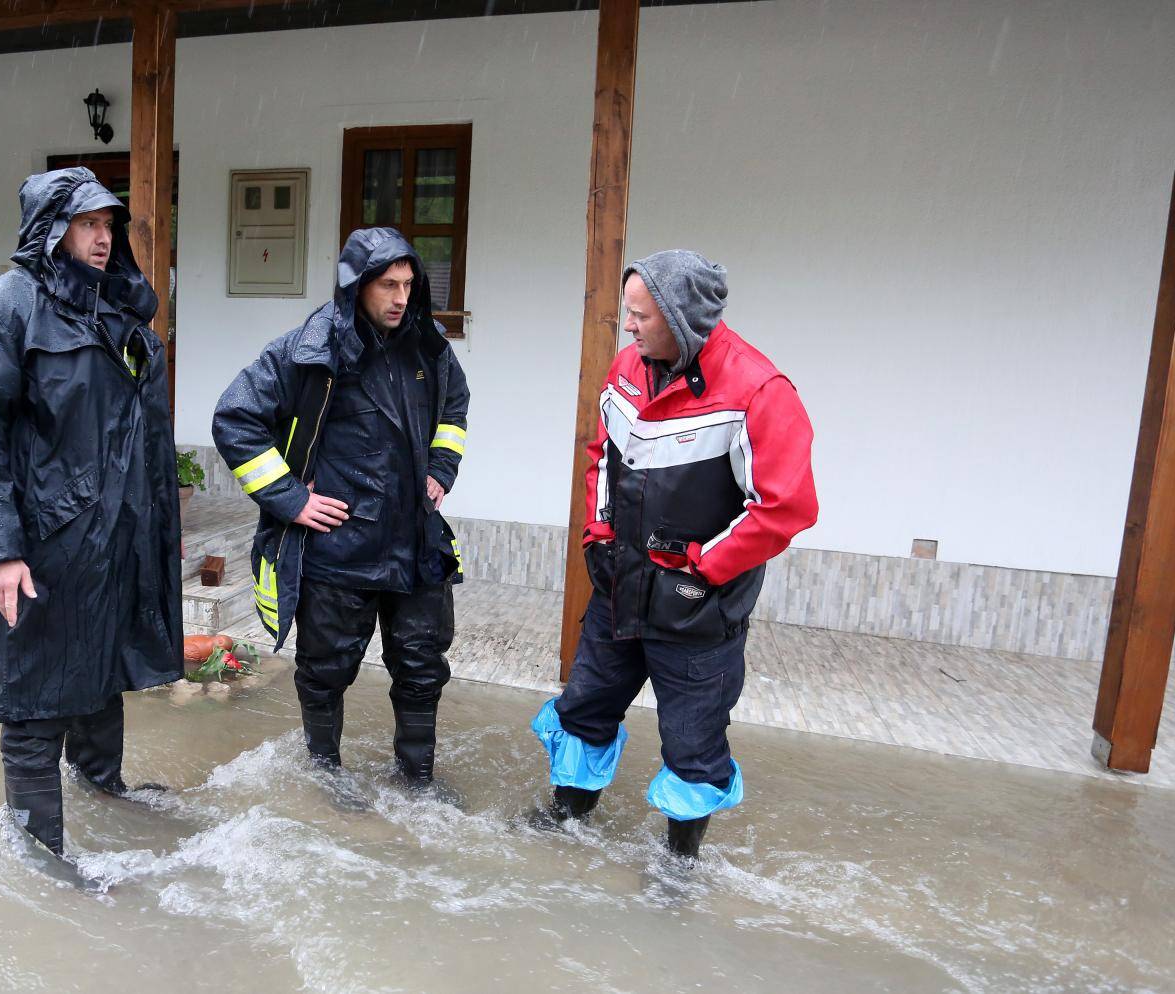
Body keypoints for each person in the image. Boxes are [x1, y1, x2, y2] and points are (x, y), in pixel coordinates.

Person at [530, 250, 818, 859]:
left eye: (640, 316)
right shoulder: (629, 367)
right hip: (618, 592)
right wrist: (598, 534)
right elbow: (600, 455)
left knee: (693, 743)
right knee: (585, 707)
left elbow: (784, 507)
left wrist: (703, 568)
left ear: (683, 320)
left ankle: (678, 867)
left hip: (697, 612)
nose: (628, 327)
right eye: (627, 313)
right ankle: (564, 823)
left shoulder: (759, 391)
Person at [0, 167, 184, 860]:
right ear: (52, 230)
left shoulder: (117, 315)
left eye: (109, 226)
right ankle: (39, 856)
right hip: (43, 542)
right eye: (87, 225)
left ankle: (105, 790)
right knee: (34, 698)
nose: (103, 239)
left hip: (117, 536)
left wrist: (155, 530)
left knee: (103, 671)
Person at [213, 227, 469, 807]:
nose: (401, 298)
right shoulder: (306, 350)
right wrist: (290, 499)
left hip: (415, 539)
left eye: (408, 284)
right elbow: (235, 419)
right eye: (388, 285)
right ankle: (324, 775)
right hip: (338, 546)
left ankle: (418, 780)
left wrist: (442, 467)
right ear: (357, 287)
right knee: (326, 671)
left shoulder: (429, 347)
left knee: (423, 665)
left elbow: (455, 405)